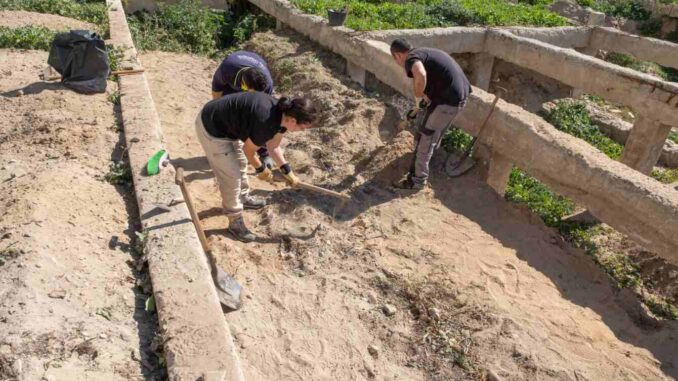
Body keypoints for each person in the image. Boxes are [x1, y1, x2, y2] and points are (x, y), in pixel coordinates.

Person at [195, 91, 317, 242]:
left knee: (241, 165)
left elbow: (273, 147)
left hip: (227, 125)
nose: (303, 131)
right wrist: (261, 169)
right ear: (292, 120)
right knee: (231, 177)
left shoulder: (283, 115)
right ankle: (235, 222)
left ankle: (244, 198)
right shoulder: (266, 122)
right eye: (303, 127)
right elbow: (249, 151)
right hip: (212, 128)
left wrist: (287, 171)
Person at [390, 38, 471, 190]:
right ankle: (429, 160)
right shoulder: (424, 53)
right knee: (432, 132)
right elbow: (434, 80)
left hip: (447, 102)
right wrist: (421, 104)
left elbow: (420, 75)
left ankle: (417, 181)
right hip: (459, 97)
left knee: (425, 137)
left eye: (396, 60)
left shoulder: (411, 59)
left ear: (398, 56)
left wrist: (418, 98)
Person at [212, 50, 276, 169]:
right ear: (245, 85)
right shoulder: (228, 69)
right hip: (230, 87)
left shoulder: (267, 84)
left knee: (259, 121)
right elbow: (217, 89)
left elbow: (264, 111)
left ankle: (263, 153)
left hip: (252, 75)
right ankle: (226, 149)